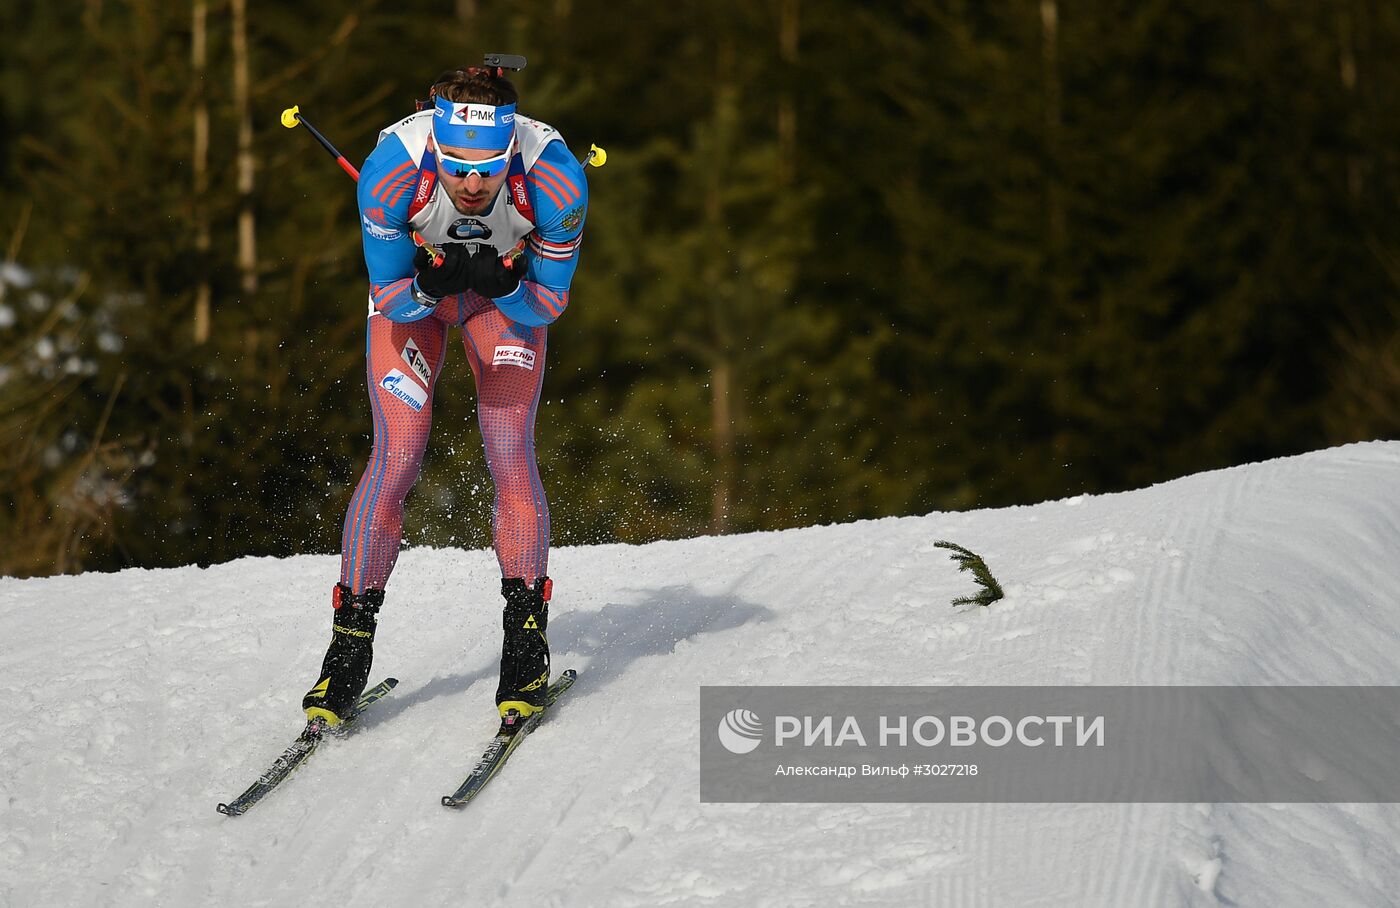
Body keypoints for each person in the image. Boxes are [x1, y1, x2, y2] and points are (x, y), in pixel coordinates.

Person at [300, 61, 588, 733]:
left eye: (487, 168)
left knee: (510, 453)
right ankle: (348, 643)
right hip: (416, 308)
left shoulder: (555, 176)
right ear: (435, 142)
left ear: (509, 148)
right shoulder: (391, 171)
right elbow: (393, 291)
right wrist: (433, 283)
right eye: (457, 167)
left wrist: (503, 281)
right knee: (398, 455)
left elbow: (549, 301)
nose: (472, 183)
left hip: (505, 306)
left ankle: (525, 643)